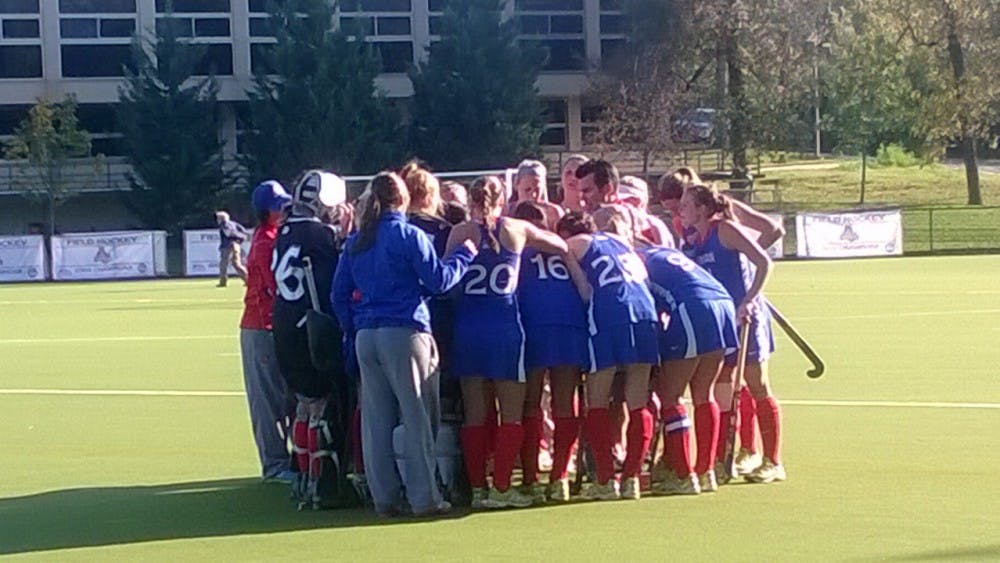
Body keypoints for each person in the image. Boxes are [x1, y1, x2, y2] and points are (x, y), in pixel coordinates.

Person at [332, 171, 477, 518]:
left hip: (367, 334)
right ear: (404, 199)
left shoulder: (357, 240)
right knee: (417, 416)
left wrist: (353, 327)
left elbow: (338, 295)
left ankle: (385, 497)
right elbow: (439, 281)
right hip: (405, 331)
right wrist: (464, 256)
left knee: (376, 421)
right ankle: (424, 496)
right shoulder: (409, 235)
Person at [445, 176, 569, 509]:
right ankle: (502, 487)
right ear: (504, 199)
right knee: (511, 413)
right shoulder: (517, 229)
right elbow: (561, 246)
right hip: (503, 328)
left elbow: (449, 282)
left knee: (475, 412)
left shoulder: (459, 233)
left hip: (468, 327)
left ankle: (478, 488)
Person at [679, 183, 783, 484]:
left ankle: (773, 461)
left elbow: (764, 262)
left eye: (687, 204)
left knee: (757, 384)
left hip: (746, 319)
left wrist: (749, 299)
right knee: (721, 387)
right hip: (720, 324)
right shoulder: (690, 239)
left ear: (702, 208)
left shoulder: (725, 230)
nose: (682, 209)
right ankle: (726, 454)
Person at [560, 208, 660, 500]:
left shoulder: (578, 242)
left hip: (609, 313)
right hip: (645, 313)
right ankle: (632, 478)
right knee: (637, 401)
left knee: (598, 400)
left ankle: (605, 479)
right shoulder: (624, 244)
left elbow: (584, 289)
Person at [271, 170, 349, 508]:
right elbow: (334, 284)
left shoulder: (285, 232)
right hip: (310, 327)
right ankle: (323, 484)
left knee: (304, 407)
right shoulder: (320, 236)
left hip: (284, 326)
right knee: (321, 408)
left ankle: (303, 478)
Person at [637, 243, 738, 495]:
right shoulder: (662, 250)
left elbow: (648, 306)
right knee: (704, 393)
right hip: (723, 302)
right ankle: (705, 471)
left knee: (670, 396)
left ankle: (684, 475)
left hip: (693, 307)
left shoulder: (633, 258)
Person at [512, 201, 589, 503]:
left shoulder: (517, 250)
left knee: (530, 403)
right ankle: (559, 479)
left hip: (534, 326)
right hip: (569, 324)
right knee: (563, 403)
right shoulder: (562, 248)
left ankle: (531, 477)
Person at [239, 181, 295, 483]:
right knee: (268, 399)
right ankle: (274, 464)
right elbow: (277, 286)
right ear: (267, 211)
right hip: (261, 327)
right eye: (280, 206)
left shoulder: (274, 237)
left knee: (285, 395)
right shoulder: (266, 242)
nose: (285, 210)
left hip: (273, 326)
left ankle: (288, 458)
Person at [618, 175, 673, 247]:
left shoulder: (654, 226)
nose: (620, 203)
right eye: (618, 199)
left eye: (626, 200)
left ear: (640, 201)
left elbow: (664, 253)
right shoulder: (615, 224)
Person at [507, 159, 563, 228]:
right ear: (516, 185)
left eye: (537, 190)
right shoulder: (506, 212)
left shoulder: (553, 212)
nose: (533, 195)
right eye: (527, 190)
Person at [216, 210, 249, 287]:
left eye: (218, 218)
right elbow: (244, 231)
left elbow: (228, 233)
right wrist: (240, 239)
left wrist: (234, 237)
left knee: (223, 265)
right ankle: (248, 280)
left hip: (227, 246)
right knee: (237, 264)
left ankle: (223, 282)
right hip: (236, 245)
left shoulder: (224, 224)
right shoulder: (234, 224)